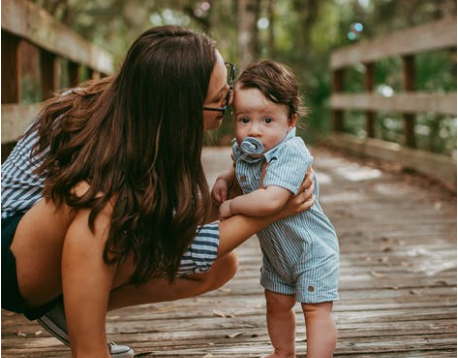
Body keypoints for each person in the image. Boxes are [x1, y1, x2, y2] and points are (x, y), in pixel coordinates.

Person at [1, 27, 316, 358]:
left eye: (228, 83)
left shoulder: (158, 132)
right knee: (96, 199)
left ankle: (71, 309)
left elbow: (172, 238)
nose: (230, 100)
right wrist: (273, 212)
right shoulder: (92, 125)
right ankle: (90, 351)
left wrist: (218, 203)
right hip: (11, 253)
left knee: (221, 265)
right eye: (218, 99)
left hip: (62, 255)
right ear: (180, 106)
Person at [212, 60, 339, 358]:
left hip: (311, 250)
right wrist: (225, 177)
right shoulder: (246, 148)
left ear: (291, 120)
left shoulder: (291, 152)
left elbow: (270, 200)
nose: (253, 131)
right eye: (244, 120)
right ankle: (283, 352)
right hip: (278, 253)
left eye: (267, 120)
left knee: (315, 310)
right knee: (276, 303)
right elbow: (239, 165)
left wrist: (231, 204)